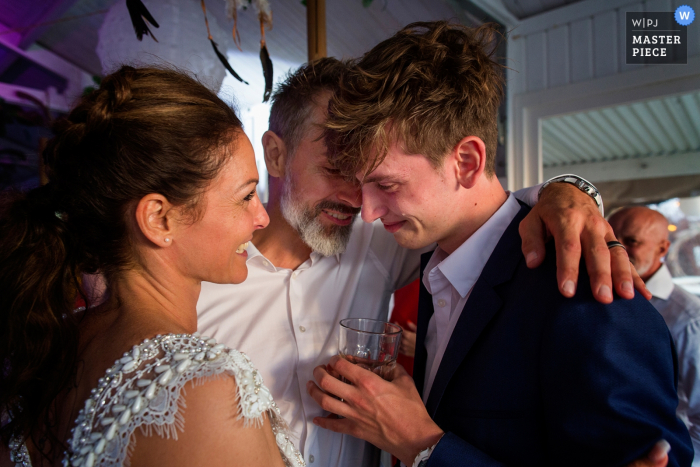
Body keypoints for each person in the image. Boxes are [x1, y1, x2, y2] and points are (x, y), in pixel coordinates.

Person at [197, 57, 655, 467]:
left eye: (375, 179)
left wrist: (567, 193)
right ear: (275, 154)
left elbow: (471, 212)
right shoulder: (196, 280)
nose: (363, 203)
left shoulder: (380, 242)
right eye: (339, 169)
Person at [308, 21, 692, 467]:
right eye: (361, 186)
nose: (369, 212)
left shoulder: (589, 294)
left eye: (387, 185)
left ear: (466, 162)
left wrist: (423, 446)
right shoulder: (436, 256)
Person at [0, 66, 304, 467]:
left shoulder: (60, 340)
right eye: (246, 196)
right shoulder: (197, 391)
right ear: (159, 219)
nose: (260, 218)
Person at [610, 206, 700, 466]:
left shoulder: (688, 320)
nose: (616, 248)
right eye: (612, 237)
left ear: (662, 249)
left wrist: (675, 462)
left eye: (632, 242)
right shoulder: (598, 296)